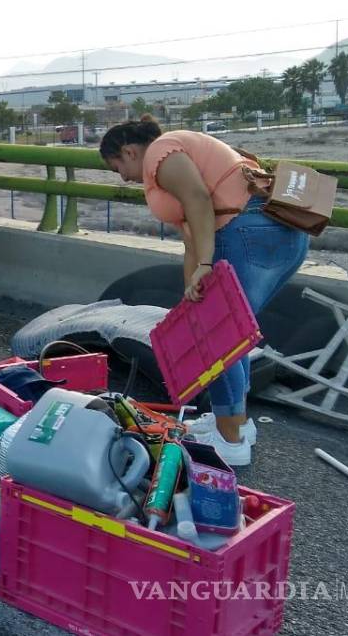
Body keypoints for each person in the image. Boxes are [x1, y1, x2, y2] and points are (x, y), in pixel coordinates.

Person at [99, 116, 308, 466]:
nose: (122, 176)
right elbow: (191, 237)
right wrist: (189, 295)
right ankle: (236, 423)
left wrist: (207, 264)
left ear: (129, 150)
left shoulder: (160, 154)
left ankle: (231, 441)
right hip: (275, 232)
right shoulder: (178, 152)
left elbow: (198, 200)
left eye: (116, 165)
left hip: (248, 233)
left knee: (218, 340)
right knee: (228, 335)